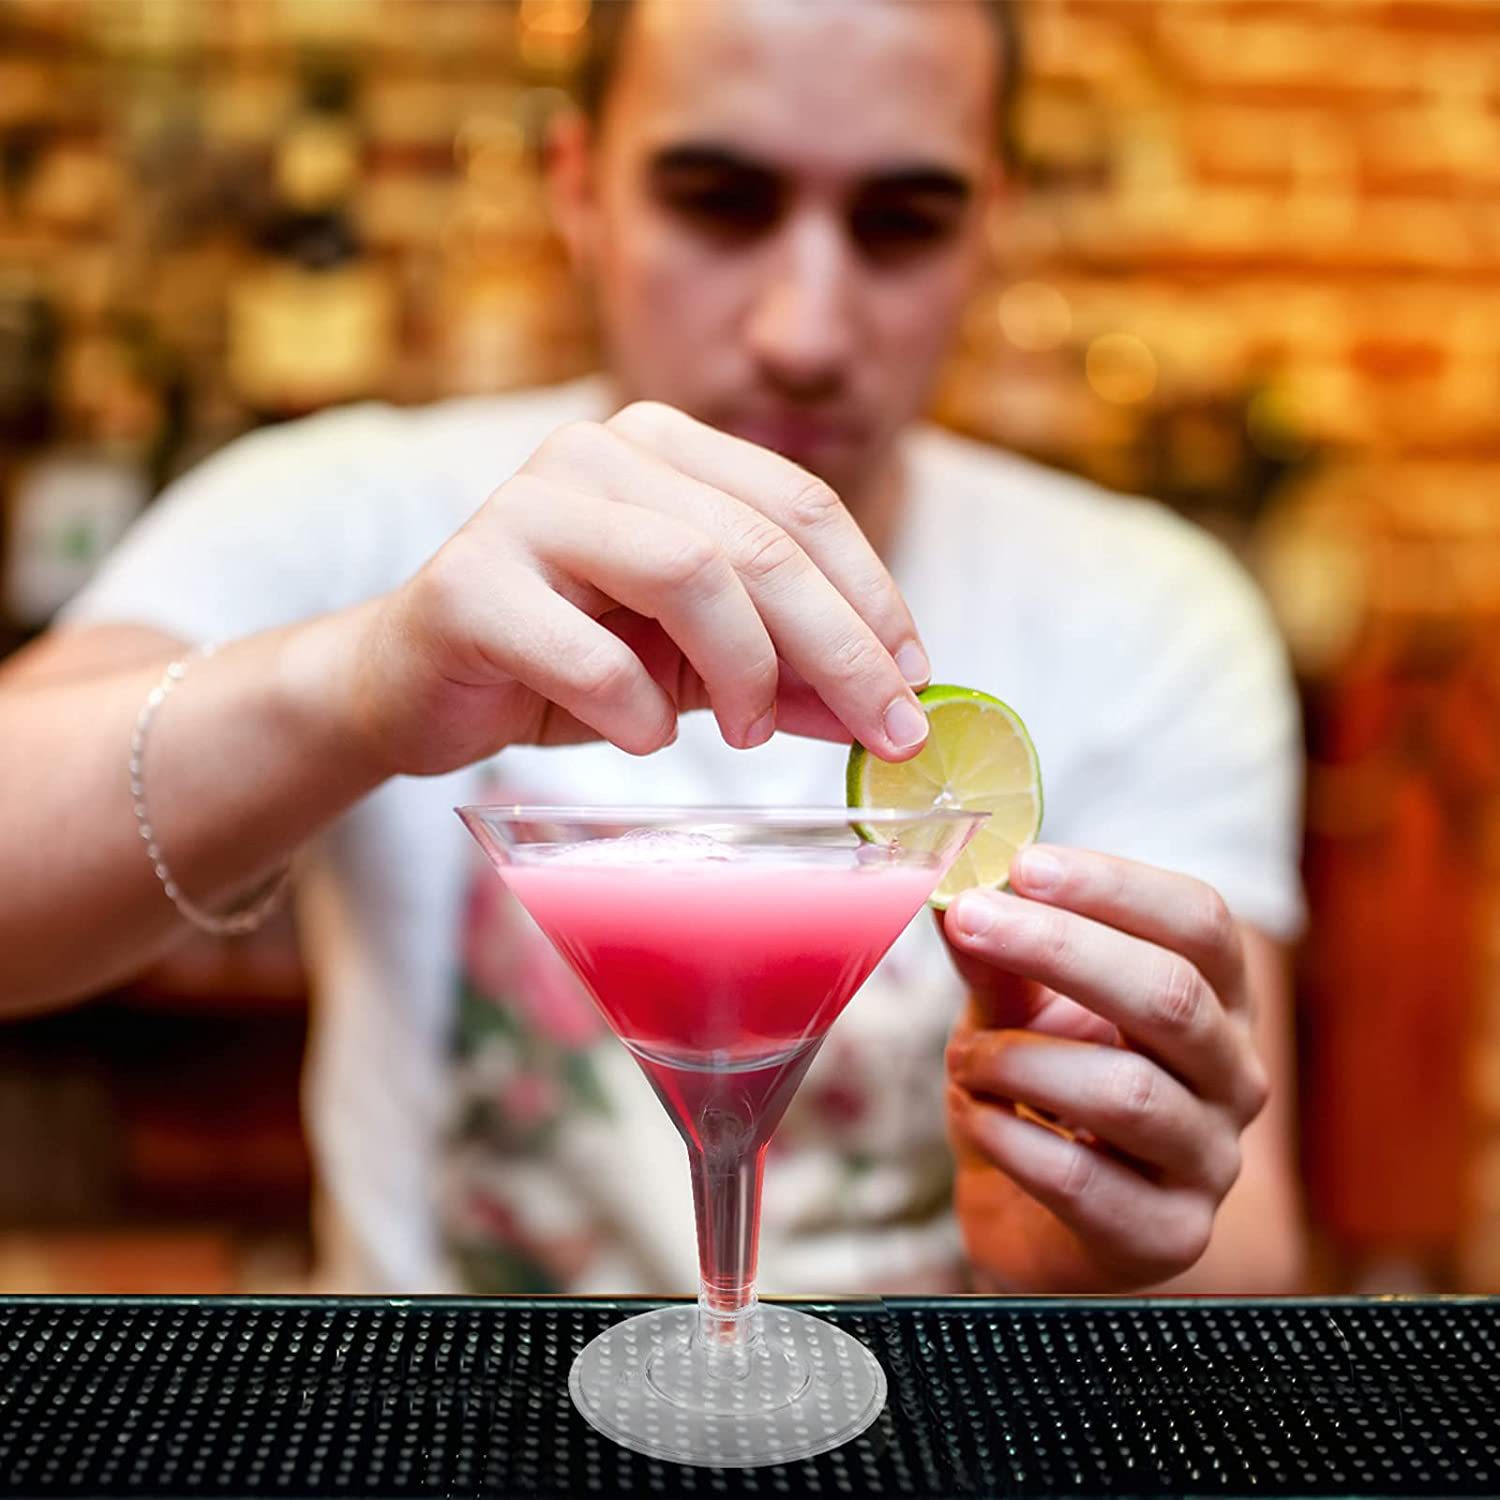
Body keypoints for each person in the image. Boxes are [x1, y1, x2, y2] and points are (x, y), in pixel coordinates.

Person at [0, 0, 1305, 1297]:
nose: (804, 333)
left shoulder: (1153, 611)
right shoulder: (355, 505)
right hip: (439, 1410)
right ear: (579, 189)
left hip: (937, 1411)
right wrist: (360, 684)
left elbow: (1244, 1241)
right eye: (718, 203)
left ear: (991, 224)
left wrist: (1090, 1239)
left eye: (903, 223)